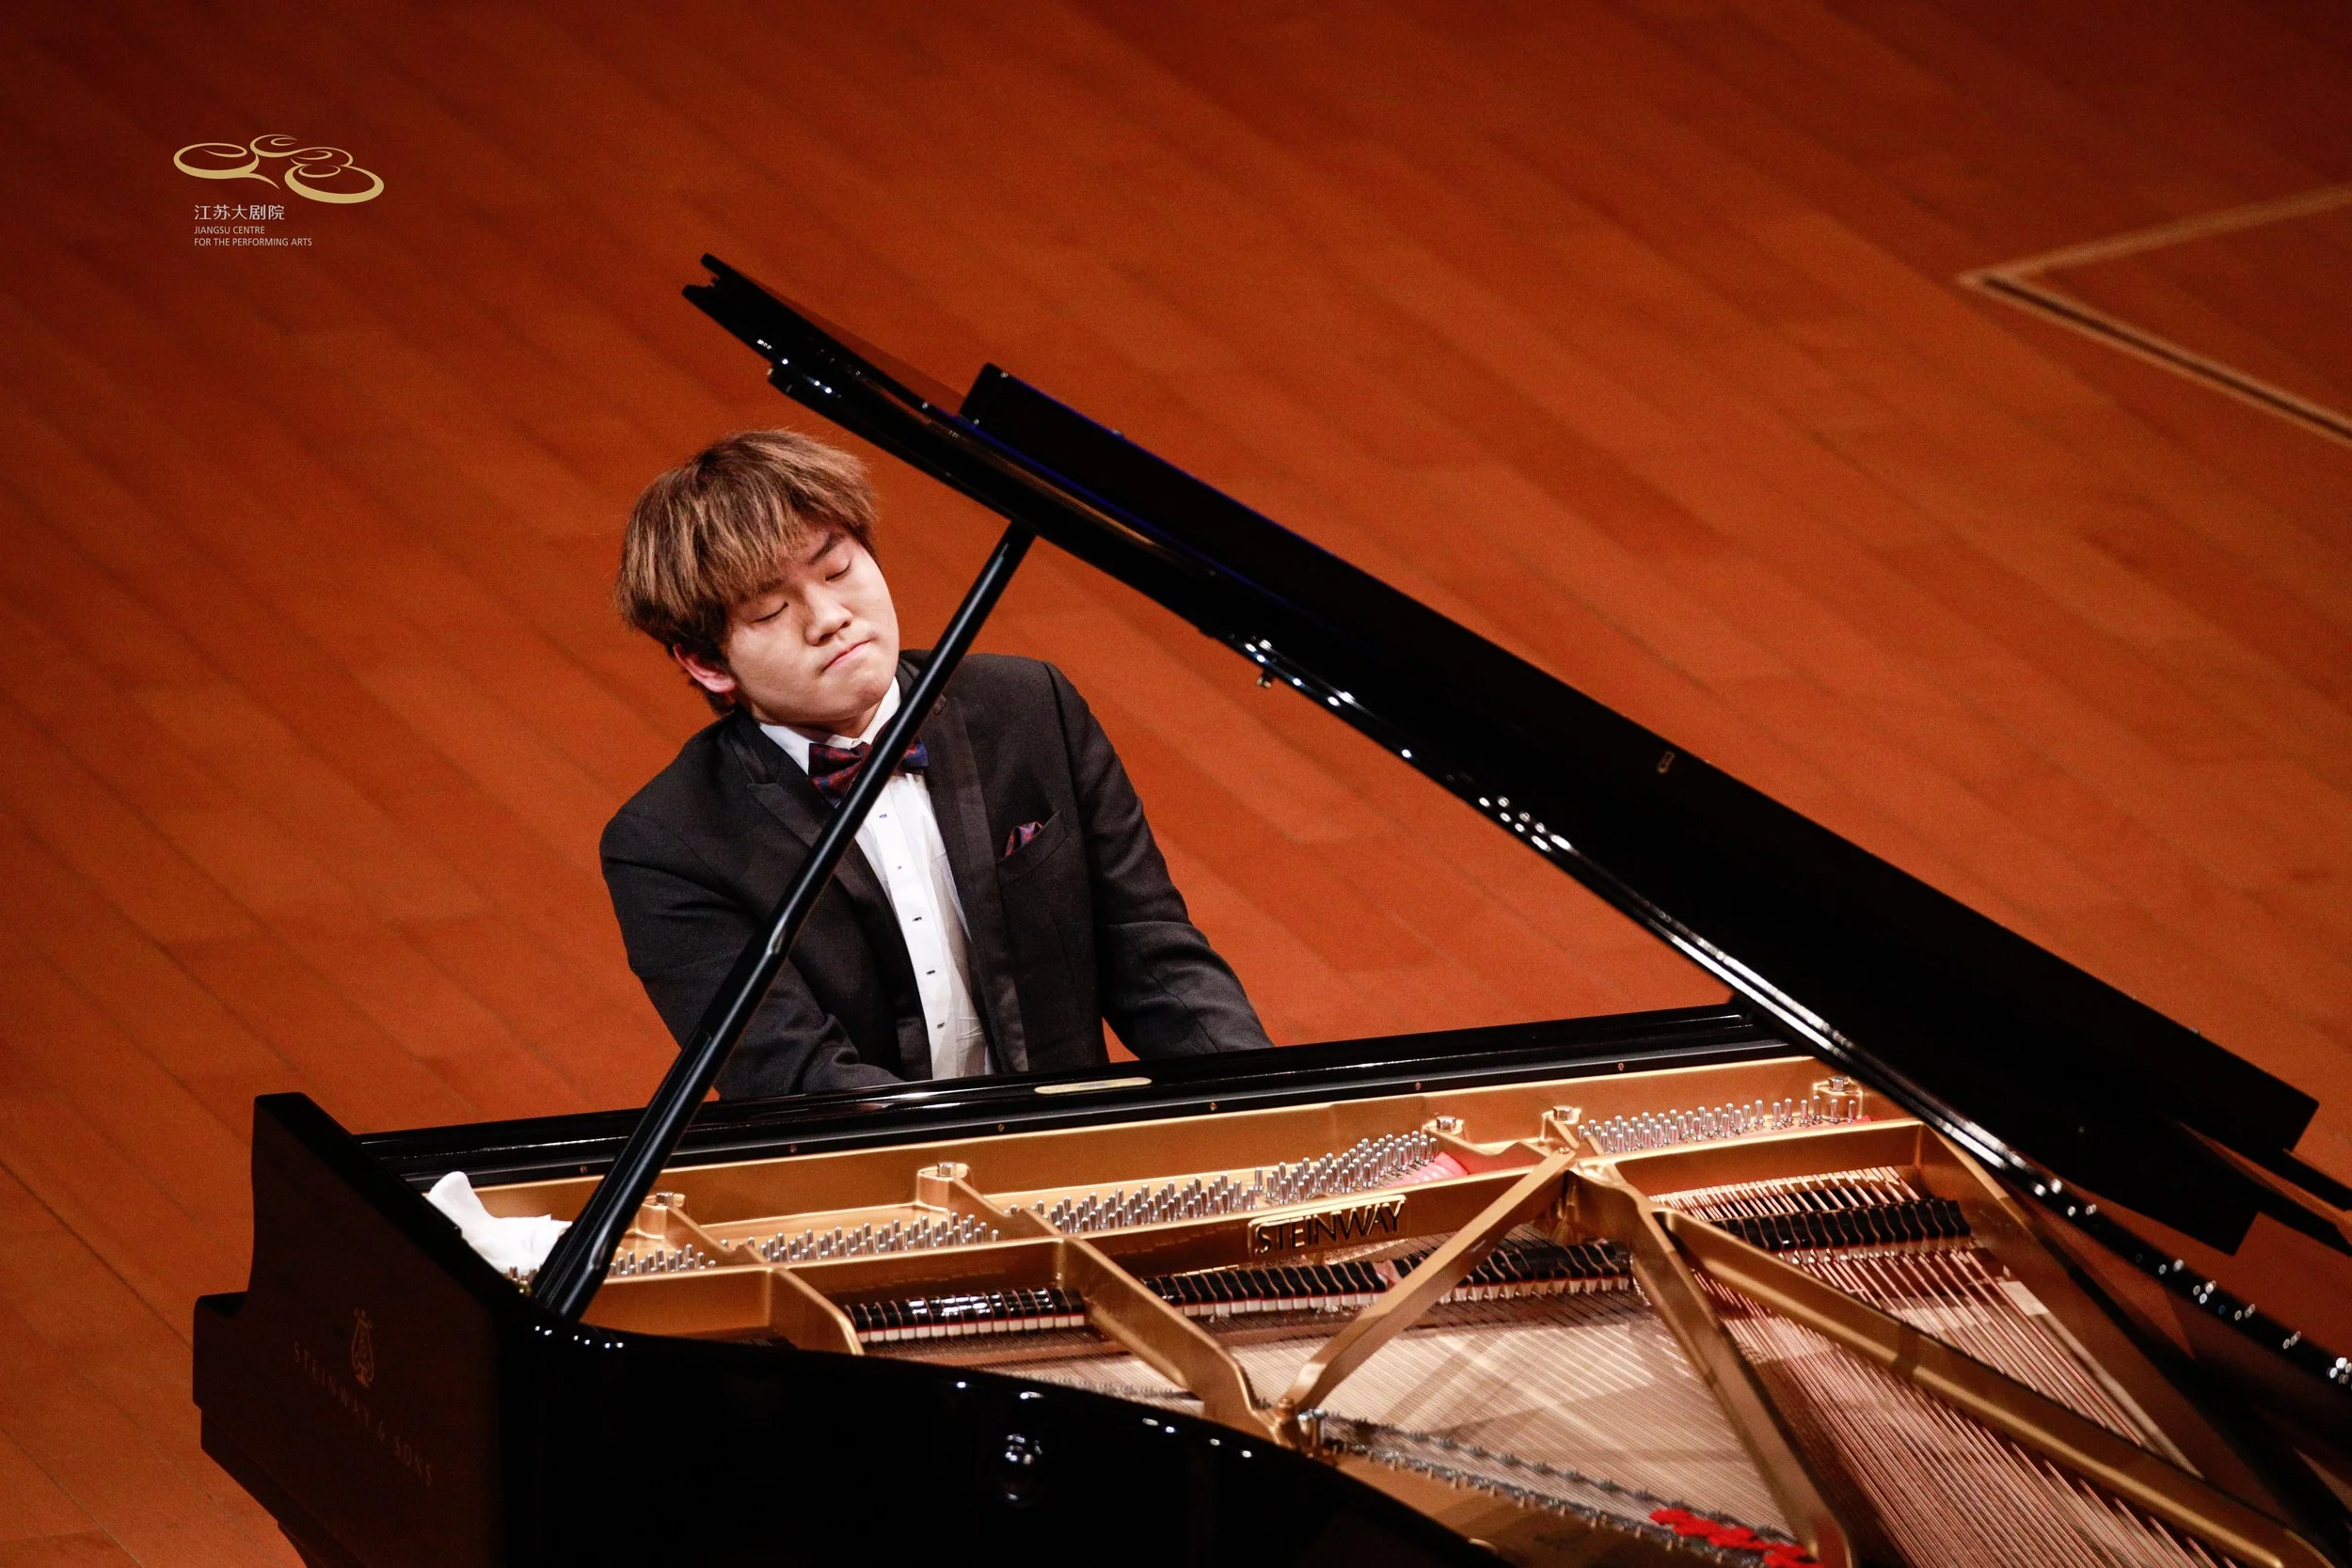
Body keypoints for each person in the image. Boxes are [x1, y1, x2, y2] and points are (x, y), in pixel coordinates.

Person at [601, 429, 1272, 1098]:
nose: (830, 617)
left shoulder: (1029, 708)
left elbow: (1156, 959)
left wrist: (1271, 1104)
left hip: (1069, 1152)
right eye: (772, 610)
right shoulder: (669, 843)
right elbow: (792, 1075)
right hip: (873, 1186)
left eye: (838, 570)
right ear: (707, 663)